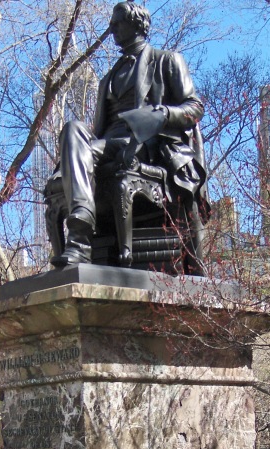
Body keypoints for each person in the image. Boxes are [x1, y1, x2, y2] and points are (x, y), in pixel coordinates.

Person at [50, 0, 209, 270]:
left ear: (136, 24)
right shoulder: (107, 78)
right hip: (108, 144)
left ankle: (79, 241)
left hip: (147, 144)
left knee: (83, 152)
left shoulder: (166, 61)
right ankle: (81, 228)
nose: (111, 28)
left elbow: (194, 108)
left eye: (117, 22)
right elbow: (98, 128)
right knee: (72, 128)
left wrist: (159, 115)